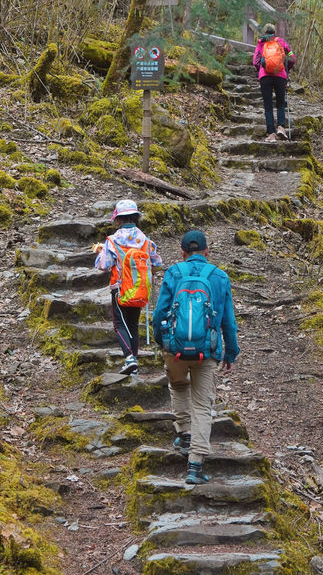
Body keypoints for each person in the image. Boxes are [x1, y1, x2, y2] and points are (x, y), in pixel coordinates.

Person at [152, 229, 240, 484]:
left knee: (178, 386)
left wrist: (163, 342)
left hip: (175, 349)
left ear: (182, 252)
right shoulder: (220, 277)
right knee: (203, 406)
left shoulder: (173, 273)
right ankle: (195, 466)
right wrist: (230, 353)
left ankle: (185, 433)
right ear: (207, 251)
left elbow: (159, 315)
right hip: (207, 351)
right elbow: (228, 323)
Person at [94, 199, 162, 375]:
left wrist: (99, 252)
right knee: (132, 324)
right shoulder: (146, 240)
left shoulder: (113, 240)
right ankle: (134, 366)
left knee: (119, 324)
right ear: (136, 218)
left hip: (120, 289)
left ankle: (129, 358)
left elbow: (103, 265)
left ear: (118, 220)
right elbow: (157, 262)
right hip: (140, 289)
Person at [252, 22, 295, 142]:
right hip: (280, 76)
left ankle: (271, 134)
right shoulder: (282, 42)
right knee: (281, 103)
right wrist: (287, 68)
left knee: (268, 105)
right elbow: (292, 58)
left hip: (265, 77)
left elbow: (255, 61)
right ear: (274, 32)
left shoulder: (261, 43)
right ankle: (281, 127)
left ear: (265, 32)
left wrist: (261, 68)